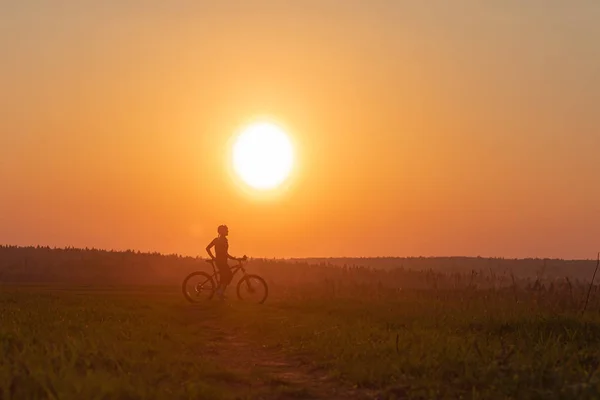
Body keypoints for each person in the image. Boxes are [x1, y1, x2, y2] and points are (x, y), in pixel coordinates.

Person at [205, 225, 245, 299]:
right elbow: (222, 253)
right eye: (226, 230)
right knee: (228, 275)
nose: (228, 231)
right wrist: (213, 257)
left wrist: (235, 258)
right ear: (222, 231)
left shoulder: (221, 240)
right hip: (221, 262)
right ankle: (220, 292)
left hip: (222, 261)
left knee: (224, 277)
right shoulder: (219, 240)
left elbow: (224, 253)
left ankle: (220, 292)